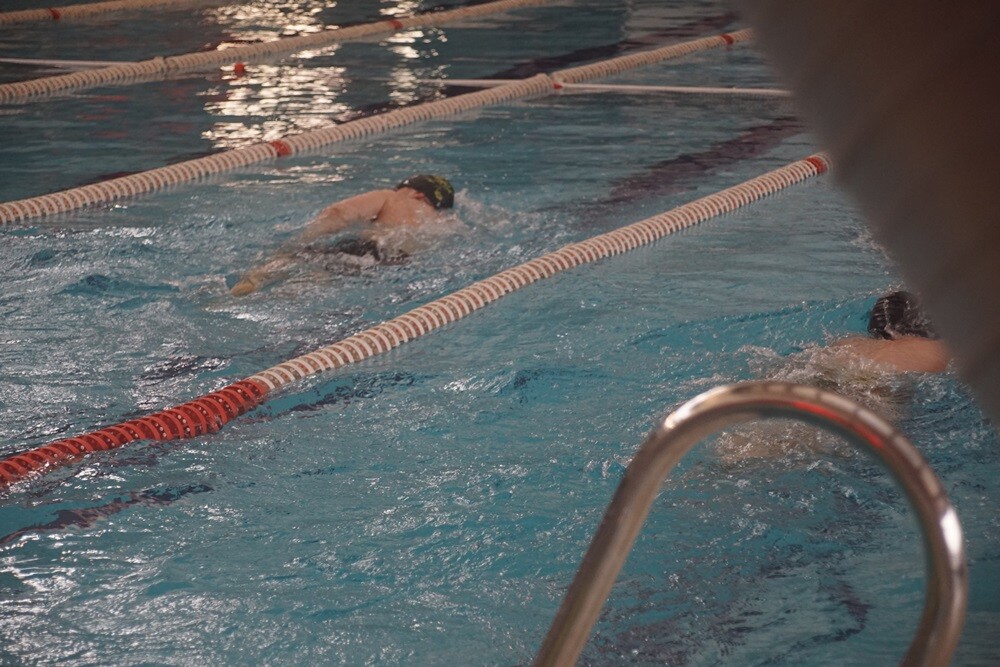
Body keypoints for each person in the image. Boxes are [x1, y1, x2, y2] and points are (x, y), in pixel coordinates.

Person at [230, 174, 455, 296]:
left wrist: (301, 239)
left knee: (291, 258)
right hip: (397, 266)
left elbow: (341, 212)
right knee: (319, 281)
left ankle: (250, 284)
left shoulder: (392, 197)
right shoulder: (443, 223)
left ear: (415, 193)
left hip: (367, 248)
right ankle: (280, 296)